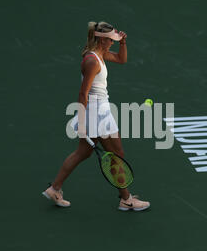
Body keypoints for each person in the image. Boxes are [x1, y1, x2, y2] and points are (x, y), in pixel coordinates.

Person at [42, 21, 150, 211]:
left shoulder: (98, 54)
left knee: (83, 152)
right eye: (111, 40)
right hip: (97, 113)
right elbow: (83, 93)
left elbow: (121, 59)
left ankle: (54, 188)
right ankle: (126, 199)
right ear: (102, 40)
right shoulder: (92, 61)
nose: (113, 43)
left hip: (98, 111)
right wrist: (83, 123)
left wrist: (123, 43)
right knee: (117, 155)